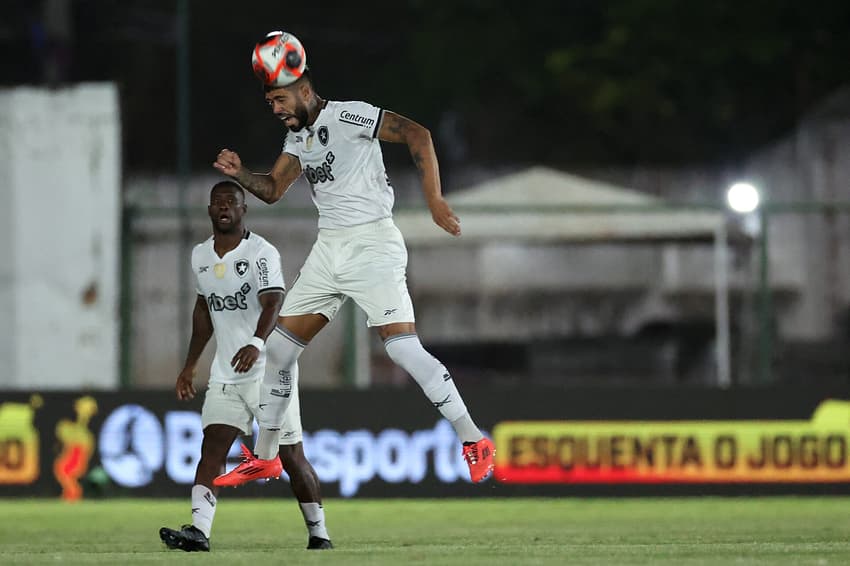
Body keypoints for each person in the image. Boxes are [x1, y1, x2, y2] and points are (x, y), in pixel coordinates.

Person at [211, 37, 495, 489]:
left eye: (279, 98)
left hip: (372, 243)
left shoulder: (349, 115)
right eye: (269, 101)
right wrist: (241, 173)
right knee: (279, 351)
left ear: (304, 90)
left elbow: (416, 134)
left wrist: (435, 200)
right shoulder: (297, 138)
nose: (275, 108)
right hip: (330, 249)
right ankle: (264, 458)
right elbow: (272, 189)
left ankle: (473, 439)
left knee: (401, 348)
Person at [159, 181, 332, 552]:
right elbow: (204, 310)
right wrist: (190, 365)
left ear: (243, 211)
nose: (224, 208)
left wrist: (256, 343)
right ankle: (199, 532)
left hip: (269, 371)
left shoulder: (261, 253)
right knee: (213, 446)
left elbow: (274, 301)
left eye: (231, 203)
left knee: (290, 456)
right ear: (209, 210)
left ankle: (319, 533)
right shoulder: (200, 256)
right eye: (217, 203)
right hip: (226, 372)